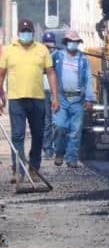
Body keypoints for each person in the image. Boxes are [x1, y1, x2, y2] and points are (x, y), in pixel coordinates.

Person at [0, 20, 60, 185]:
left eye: (28, 31)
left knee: (38, 135)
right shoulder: (9, 50)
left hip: (37, 99)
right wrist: (0, 95)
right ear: (18, 33)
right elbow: (1, 74)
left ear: (33, 33)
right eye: (23, 31)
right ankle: (18, 170)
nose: (25, 34)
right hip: (16, 99)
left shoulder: (42, 50)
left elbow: (51, 73)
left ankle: (34, 168)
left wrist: (55, 96)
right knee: (17, 135)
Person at [52, 30, 96, 168]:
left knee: (75, 131)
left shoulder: (83, 60)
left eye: (76, 42)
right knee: (60, 127)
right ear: (66, 42)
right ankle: (59, 152)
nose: (73, 44)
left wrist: (90, 98)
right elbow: (48, 70)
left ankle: (72, 158)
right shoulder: (57, 56)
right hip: (61, 98)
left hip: (78, 99)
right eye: (71, 41)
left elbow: (88, 78)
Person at [41, 31, 57, 159]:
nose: (48, 48)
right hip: (42, 93)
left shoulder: (58, 57)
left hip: (55, 93)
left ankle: (57, 147)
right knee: (47, 122)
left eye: (50, 45)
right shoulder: (39, 58)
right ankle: (47, 148)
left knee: (57, 122)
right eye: (46, 45)